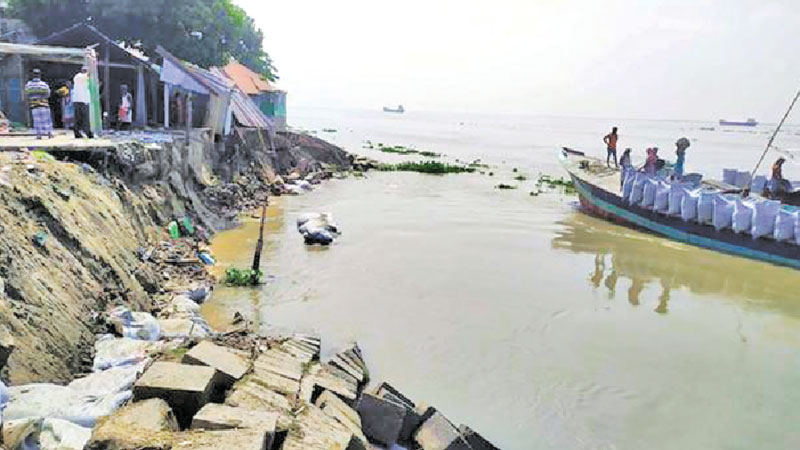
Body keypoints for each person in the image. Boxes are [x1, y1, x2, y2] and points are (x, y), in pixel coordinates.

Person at [24, 69, 53, 139]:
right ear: (40, 75)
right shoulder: (44, 84)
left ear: (32, 75)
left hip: (34, 105)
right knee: (47, 120)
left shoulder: (29, 85)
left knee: (37, 121)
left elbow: (27, 94)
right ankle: (49, 134)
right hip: (44, 105)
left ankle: (39, 135)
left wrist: (33, 97)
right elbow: (48, 94)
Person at [72, 66, 94, 138]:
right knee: (85, 118)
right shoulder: (80, 76)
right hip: (82, 101)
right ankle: (88, 133)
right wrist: (92, 61)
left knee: (78, 118)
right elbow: (89, 73)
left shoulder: (78, 77)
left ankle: (77, 133)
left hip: (78, 100)